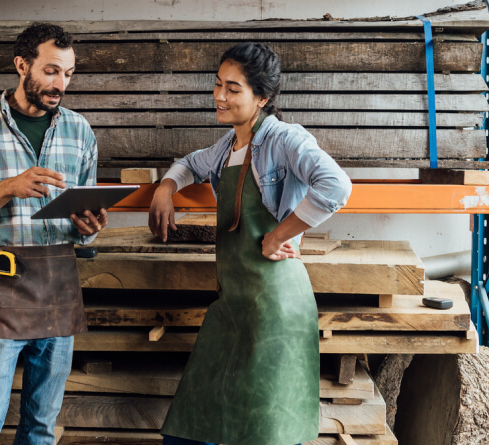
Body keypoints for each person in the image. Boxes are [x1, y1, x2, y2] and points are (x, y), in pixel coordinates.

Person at [149, 42, 352, 445]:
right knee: (190, 427)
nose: (220, 96)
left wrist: (281, 233)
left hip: (275, 308)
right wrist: (165, 188)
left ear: (262, 97)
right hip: (233, 305)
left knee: (266, 432)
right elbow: (190, 164)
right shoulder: (227, 146)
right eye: (218, 85)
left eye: (233, 88)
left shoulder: (283, 139)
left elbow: (336, 186)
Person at [0, 23, 107, 445]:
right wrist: (11, 186)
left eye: (68, 74)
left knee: (40, 430)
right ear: (21, 65)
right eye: (51, 71)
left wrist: (89, 227)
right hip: (4, 285)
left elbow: (82, 217)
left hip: (60, 286)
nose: (60, 84)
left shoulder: (79, 131)